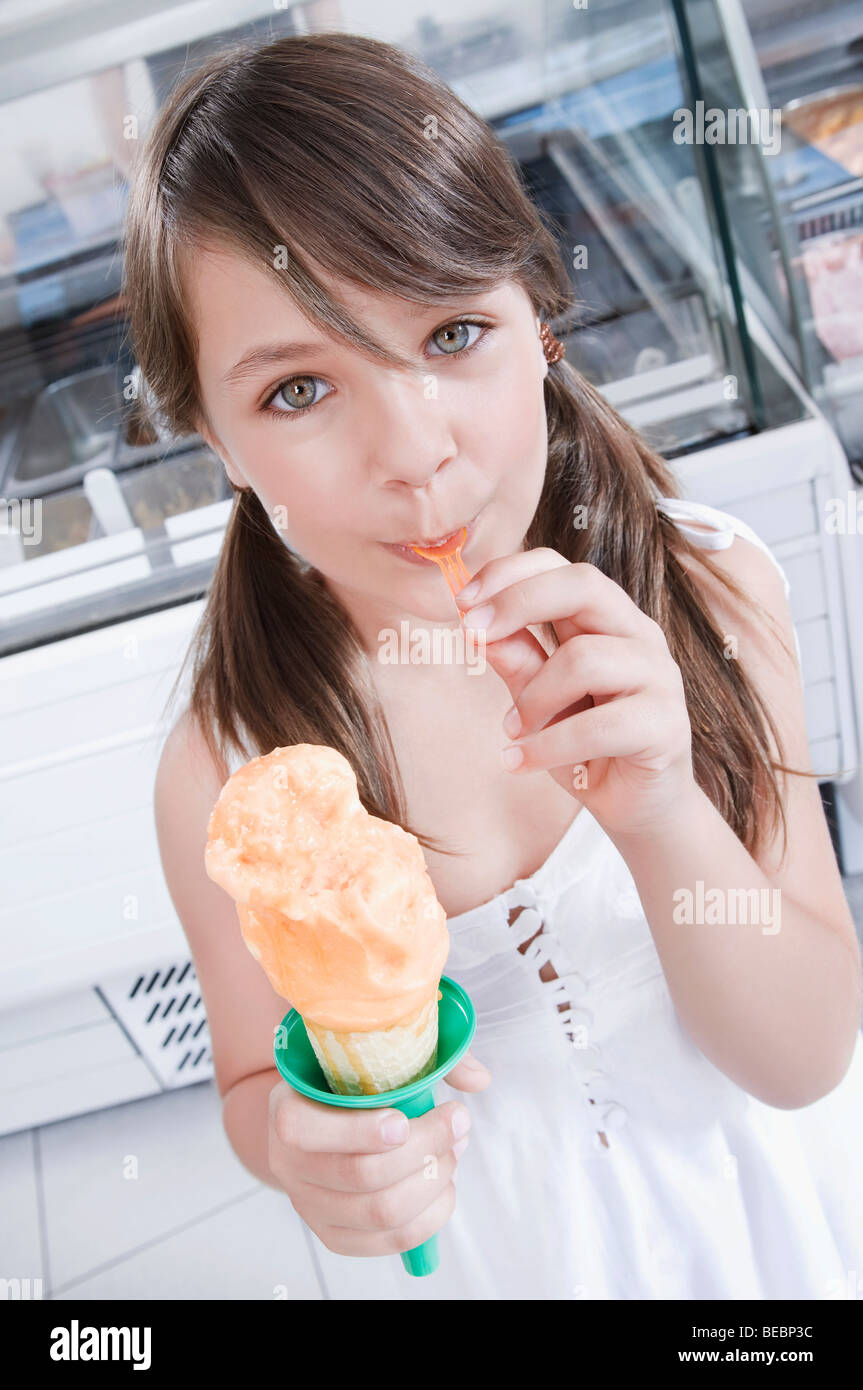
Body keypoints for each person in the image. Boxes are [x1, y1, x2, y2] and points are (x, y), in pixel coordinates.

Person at [134, 32, 863, 1299]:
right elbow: (258, 1083)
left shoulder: (708, 589)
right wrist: (304, 1156)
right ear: (216, 441)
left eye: (454, 330)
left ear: (542, 322)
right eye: (299, 391)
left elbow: (803, 1054)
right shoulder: (233, 769)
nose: (412, 452)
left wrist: (657, 809)